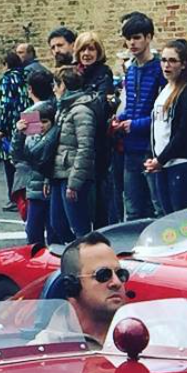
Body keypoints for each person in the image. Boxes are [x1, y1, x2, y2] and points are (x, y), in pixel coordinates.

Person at [144, 39, 187, 213]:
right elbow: (158, 128)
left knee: (180, 216)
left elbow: (185, 133)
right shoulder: (164, 90)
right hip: (163, 164)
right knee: (167, 217)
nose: (167, 65)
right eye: (164, 60)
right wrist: (152, 156)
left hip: (182, 163)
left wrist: (161, 159)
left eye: (172, 61)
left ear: (184, 64)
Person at [112, 12, 165, 219]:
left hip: (151, 148)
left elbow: (162, 114)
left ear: (148, 37)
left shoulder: (160, 69)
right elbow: (132, 106)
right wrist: (119, 120)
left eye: (137, 37)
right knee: (133, 209)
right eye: (128, 38)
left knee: (157, 208)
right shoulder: (131, 69)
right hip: (130, 148)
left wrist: (134, 124)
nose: (132, 43)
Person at [40, 231, 129, 344]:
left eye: (120, 274)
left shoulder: (142, 333)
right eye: (103, 275)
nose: (116, 282)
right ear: (72, 286)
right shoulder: (45, 349)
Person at [49, 66, 98, 242]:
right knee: (57, 224)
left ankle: (85, 254)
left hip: (71, 174)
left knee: (79, 225)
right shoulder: (64, 109)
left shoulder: (81, 111)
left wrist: (74, 183)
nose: (54, 89)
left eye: (56, 85)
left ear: (64, 85)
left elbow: (85, 148)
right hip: (59, 172)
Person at [9, 66, 57, 248]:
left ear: (30, 89)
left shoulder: (33, 115)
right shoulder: (57, 109)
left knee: (35, 232)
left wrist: (18, 133)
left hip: (36, 181)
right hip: (48, 181)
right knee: (53, 230)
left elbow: (23, 154)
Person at [75, 32, 116, 227]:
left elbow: (100, 106)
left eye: (91, 49)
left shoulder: (103, 73)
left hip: (97, 143)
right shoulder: (74, 72)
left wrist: (78, 102)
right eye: (83, 49)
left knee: (98, 196)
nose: (86, 53)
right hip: (75, 140)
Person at [0, 49, 30, 212]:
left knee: (10, 163)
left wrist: (1, 129)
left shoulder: (7, 79)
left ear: (6, 64)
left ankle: (14, 198)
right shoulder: (26, 76)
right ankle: (26, 195)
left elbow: (6, 104)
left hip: (12, 127)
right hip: (28, 121)